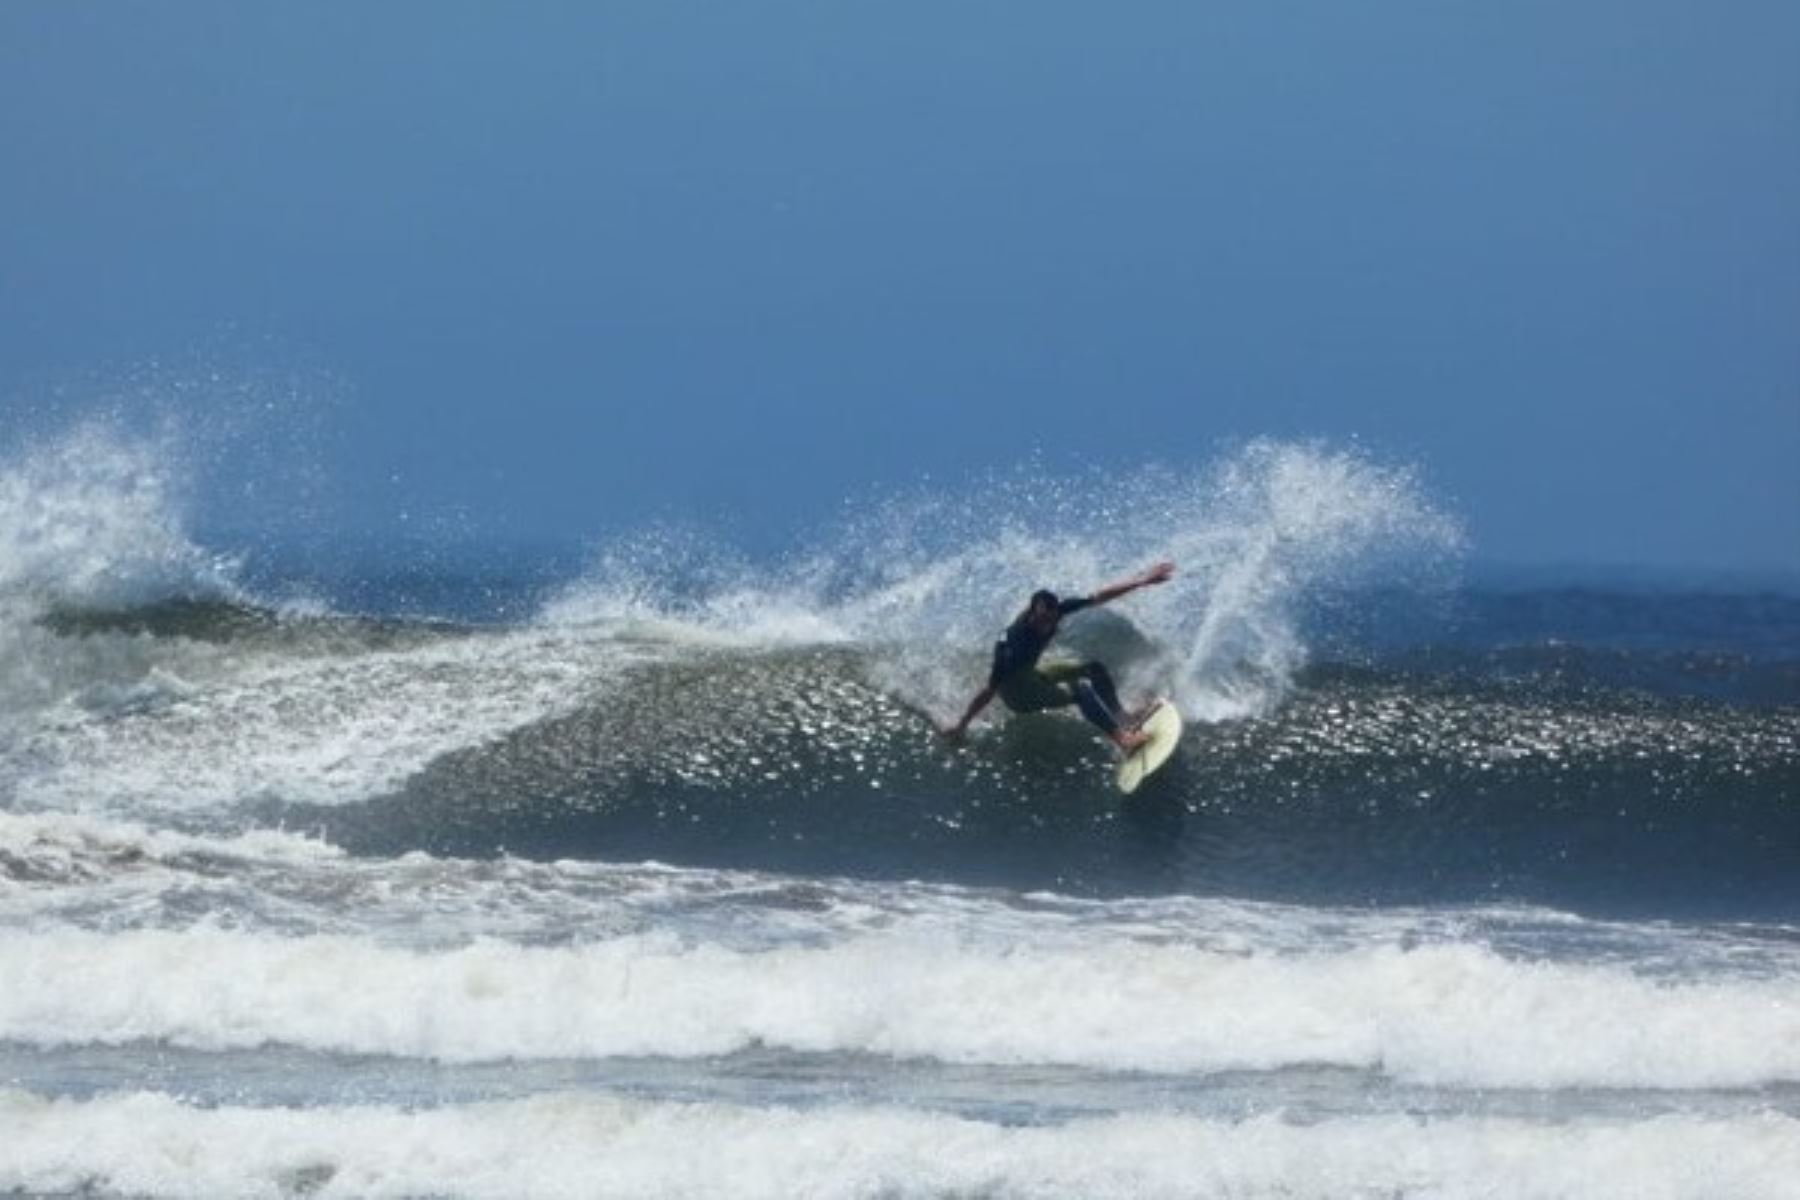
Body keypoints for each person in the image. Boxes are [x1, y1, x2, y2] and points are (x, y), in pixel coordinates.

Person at [940, 561, 1175, 753]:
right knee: (1082, 691)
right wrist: (962, 725)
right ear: (1031, 614)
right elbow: (989, 690)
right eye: (1042, 620)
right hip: (1019, 693)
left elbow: (1099, 596)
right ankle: (1122, 739)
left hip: (1033, 673)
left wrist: (1142, 581)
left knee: (1093, 668)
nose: (1047, 625)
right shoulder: (1013, 645)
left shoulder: (1057, 610)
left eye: (1051, 619)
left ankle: (1121, 716)